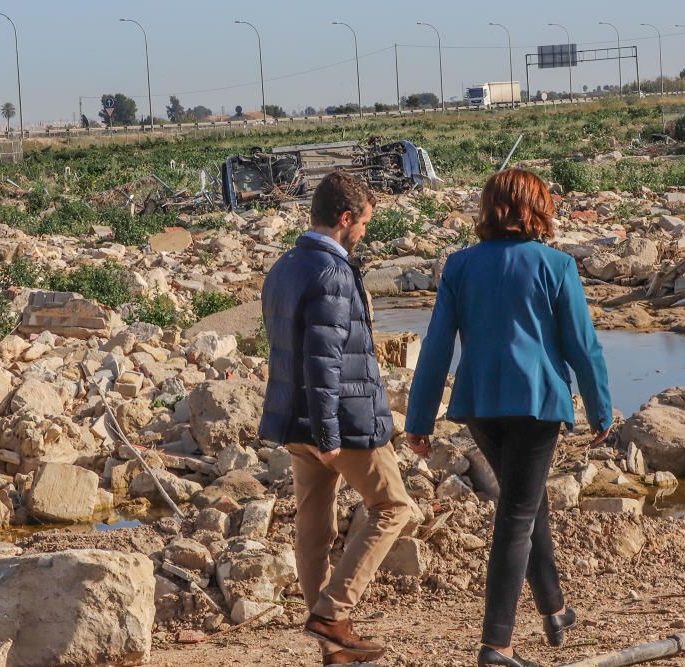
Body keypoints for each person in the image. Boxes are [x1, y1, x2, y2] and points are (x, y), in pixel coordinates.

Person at [404, 169, 613, 667]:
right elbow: (583, 347)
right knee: (517, 513)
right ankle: (496, 645)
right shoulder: (556, 265)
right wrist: (600, 408)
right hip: (536, 403)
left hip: (478, 403)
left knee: (526, 499)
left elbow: (436, 347)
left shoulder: (459, 265)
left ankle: (554, 608)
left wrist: (420, 417)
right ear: (534, 209)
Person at [260, 172, 413, 666]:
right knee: (393, 506)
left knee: (315, 525)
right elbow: (323, 360)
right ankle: (332, 612)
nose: (364, 233)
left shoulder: (284, 266)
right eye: (363, 223)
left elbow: (289, 352)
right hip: (340, 421)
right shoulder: (332, 273)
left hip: (296, 420)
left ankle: (331, 644)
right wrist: (329, 430)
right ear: (345, 219)